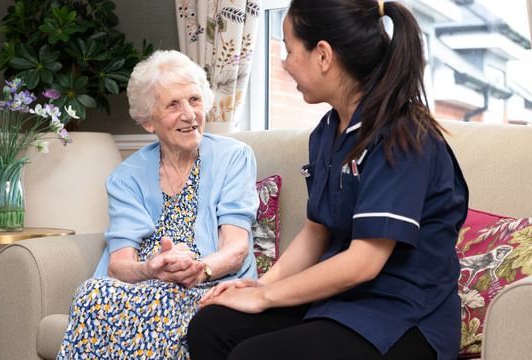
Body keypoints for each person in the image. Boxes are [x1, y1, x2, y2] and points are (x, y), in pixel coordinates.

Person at [187, 1, 469, 359]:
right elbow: (316, 231)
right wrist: (258, 286)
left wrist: (264, 297)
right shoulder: (326, 133)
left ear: (323, 55)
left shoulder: (404, 135)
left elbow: (364, 262)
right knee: (212, 326)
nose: (285, 63)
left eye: (289, 50)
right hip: (343, 304)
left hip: (405, 317)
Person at [57, 49, 260, 359]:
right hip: (147, 283)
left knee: (164, 299)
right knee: (91, 294)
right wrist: (149, 268)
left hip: (209, 283)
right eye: (173, 105)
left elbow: (236, 248)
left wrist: (199, 269)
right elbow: (119, 263)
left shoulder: (234, 157)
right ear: (149, 122)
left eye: (194, 100)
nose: (190, 115)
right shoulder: (127, 176)